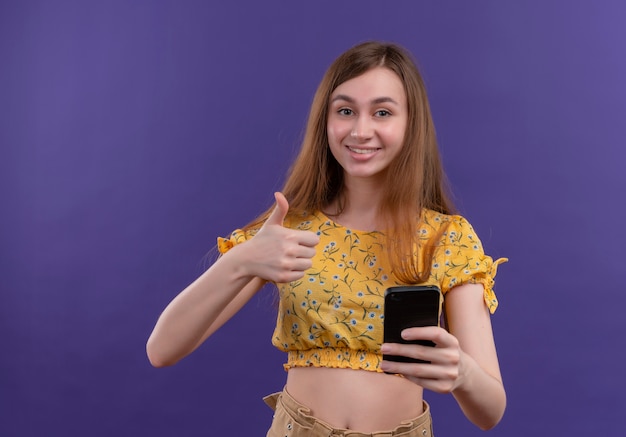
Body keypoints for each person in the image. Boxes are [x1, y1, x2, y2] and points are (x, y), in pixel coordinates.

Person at [146, 41, 507, 436]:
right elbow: (162, 349)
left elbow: (489, 411)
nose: (360, 130)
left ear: (411, 123)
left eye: (382, 112)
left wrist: (463, 373)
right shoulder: (289, 228)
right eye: (345, 111)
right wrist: (241, 260)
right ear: (326, 120)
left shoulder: (446, 238)